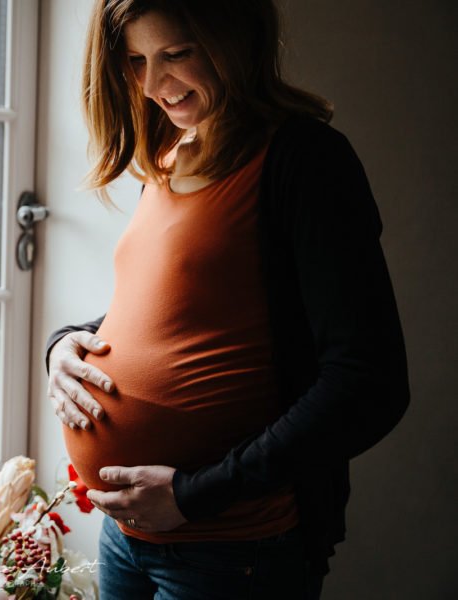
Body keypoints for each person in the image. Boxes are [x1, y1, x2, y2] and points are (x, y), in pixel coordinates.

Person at [44, 1, 410, 598]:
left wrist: (193, 495)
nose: (154, 84)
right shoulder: (167, 156)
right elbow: (179, 312)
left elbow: (368, 381)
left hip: (233, 549)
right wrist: (63, 346)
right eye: (136, 61)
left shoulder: (306, 160)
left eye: (177, 54)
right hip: (127, 538)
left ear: (233, 39)